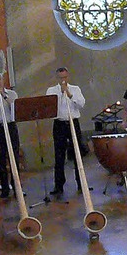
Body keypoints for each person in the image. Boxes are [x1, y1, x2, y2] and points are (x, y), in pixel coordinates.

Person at [46, 67, 86, 196]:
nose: (63, 80)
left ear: (68, 77)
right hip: (59, 124)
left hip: (73, 122)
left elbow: (81, 104)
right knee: (59, 155)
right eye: (60, 78)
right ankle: (59, 185)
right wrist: (61, 95)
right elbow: (50, 107)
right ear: (57, 78)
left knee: (77, 153)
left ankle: (81, 183)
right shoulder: (51, 91)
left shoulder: (75, 89)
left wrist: (69, 94)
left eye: (65, 77)